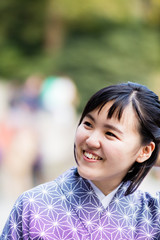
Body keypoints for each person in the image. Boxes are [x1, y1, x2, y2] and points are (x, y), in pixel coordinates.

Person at [1, 81, 160, 240]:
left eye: (110, 133)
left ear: (145, 151)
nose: (91, 140)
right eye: (88, 124)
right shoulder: (32, 205)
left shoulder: (153, 216)